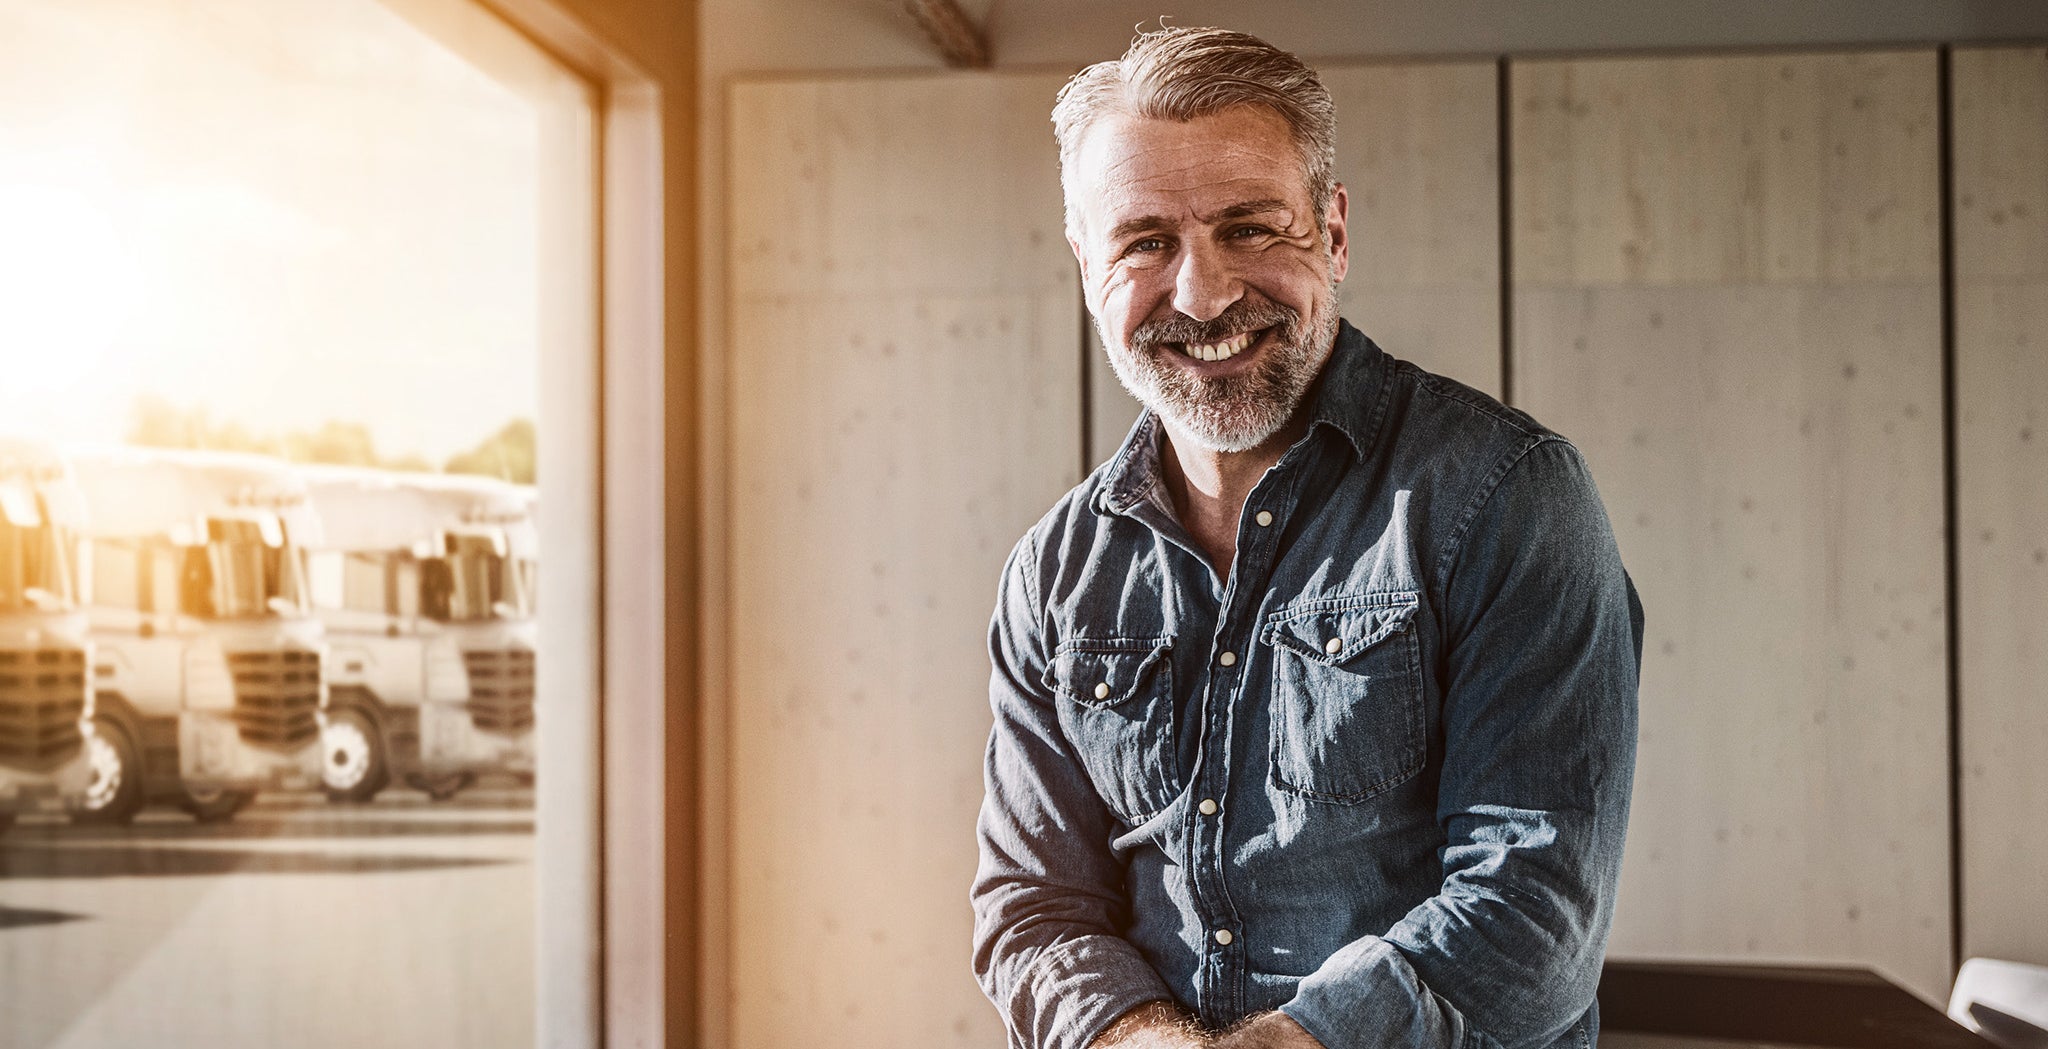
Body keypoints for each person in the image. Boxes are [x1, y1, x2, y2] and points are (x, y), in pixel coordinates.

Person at [970, 26, 1644, 1049]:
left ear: (1331, 233)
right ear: (1084, 260)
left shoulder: (1507, 497)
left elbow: (1529, 912)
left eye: (1249, 228)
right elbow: (1030, 909)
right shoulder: (1054, 573)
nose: (1201, 295)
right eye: (1145, 241)